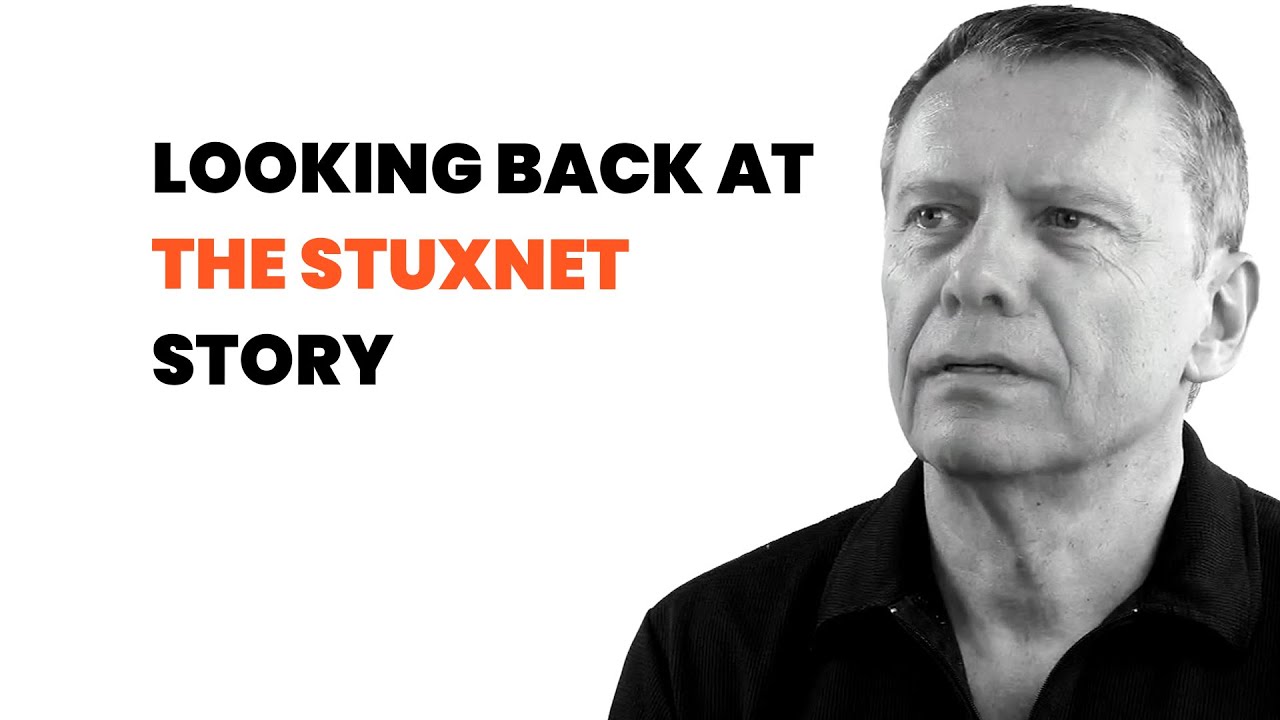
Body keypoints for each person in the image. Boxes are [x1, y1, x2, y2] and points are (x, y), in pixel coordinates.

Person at [608, 6, 1276, 719]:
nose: (972, 276)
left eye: (1068, 219)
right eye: (933, 216)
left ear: (1218, 316)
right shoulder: (707, 656)